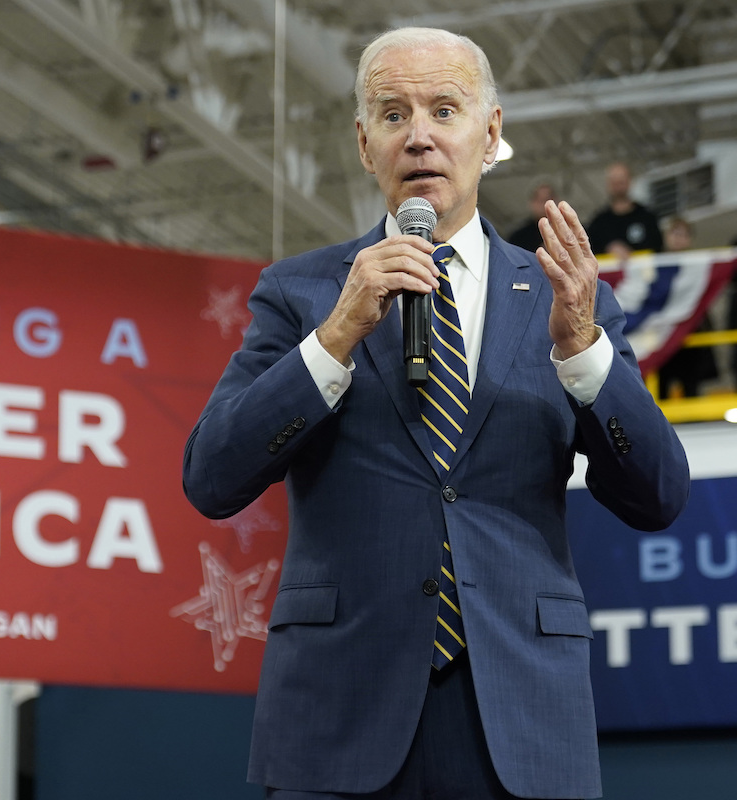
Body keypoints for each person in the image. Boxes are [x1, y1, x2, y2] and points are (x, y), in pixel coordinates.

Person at [182, 27, 689, 800]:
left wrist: (584, 352)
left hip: (522, 724)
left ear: (490, 134)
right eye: (393, 114)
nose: (419, 135)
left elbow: (658, 495)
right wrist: (336, 335)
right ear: (365, 144)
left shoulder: (565, 297)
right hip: (340, 717)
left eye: (444, 110)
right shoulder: (302, 294)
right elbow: (212, 476)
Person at [657, 217, 718, 398]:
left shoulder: (700, 266)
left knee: (691, 387)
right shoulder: (654, 265)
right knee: (661, 390)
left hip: (690, 335)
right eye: (675, 233)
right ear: (666, 236)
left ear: (690, 239)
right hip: (664, 335)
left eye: (683, 234)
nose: (678, 238)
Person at [585, 162, 664, 258]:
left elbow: (658, 249)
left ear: (630, 182)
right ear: (608, 184)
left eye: (621, 182)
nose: (618, 187)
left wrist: (631, 254)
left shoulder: (647, 217)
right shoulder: (598, 223)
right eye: (614, 183)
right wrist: (609, 249)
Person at [506, 181, 556, 251]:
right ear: (532, 203)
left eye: (547, 199)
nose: (544, 204)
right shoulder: (519, 237)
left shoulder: (564, 231)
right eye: (540, 200)